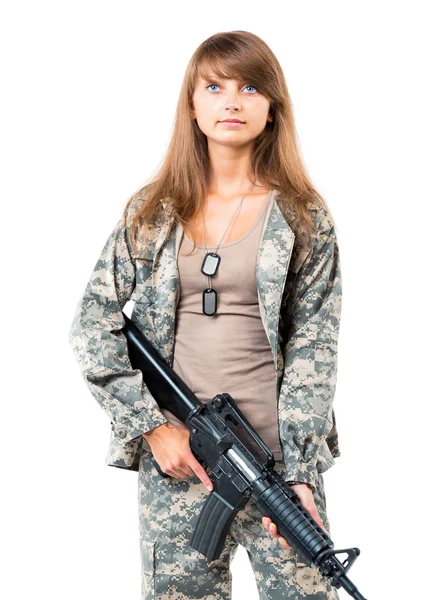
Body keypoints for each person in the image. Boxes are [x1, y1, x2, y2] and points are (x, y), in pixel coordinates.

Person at [69, 30, 342, 599]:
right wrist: (151, 427)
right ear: (193, 107)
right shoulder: (153, 212)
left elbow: (316, 352)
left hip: (278, 468)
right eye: (214, 87)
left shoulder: (302, 216)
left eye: (248, 87)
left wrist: (301, 473)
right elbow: (93, 322)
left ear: (272, 108)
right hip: (181, 466)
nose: (232, 102)